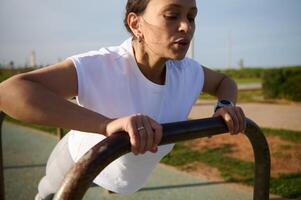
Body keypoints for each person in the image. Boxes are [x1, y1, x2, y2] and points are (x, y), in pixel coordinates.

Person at [0, 0, 246, 199]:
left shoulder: (188, 72)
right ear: (136, 23)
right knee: (48, 195)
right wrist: (106, 125)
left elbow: (225, 82)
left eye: (191, 16)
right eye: (172, 15)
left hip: (125, 177)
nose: (186, 27)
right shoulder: (101, 65)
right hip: (77, 159)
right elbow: (9, 91)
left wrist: (225, 106)